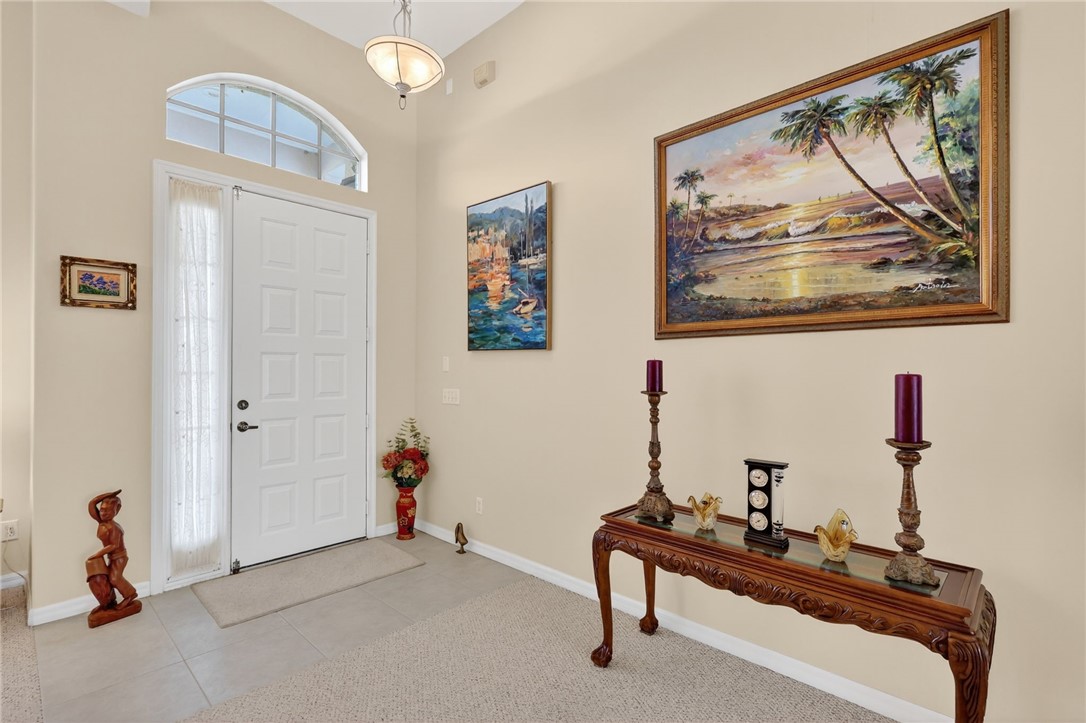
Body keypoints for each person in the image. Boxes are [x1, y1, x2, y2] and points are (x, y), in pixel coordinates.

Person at [87, 490, 138, 609]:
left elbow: (113, 546)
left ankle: (130, 595)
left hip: (119, 557)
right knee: (108, 579)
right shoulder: (101, 521)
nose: (104, 513)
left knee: (115, 579)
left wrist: (97, 554)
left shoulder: (114, 528)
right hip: (112, 557)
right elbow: (91, 504)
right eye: (102, 509)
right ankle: (109, 601)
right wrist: (108, 495)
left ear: (116, 511)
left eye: (108, 511)